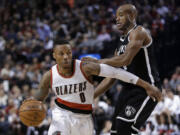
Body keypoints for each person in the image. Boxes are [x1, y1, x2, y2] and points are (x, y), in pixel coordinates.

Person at [29, 39, 161, 135]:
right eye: (61, 53)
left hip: (84, 119)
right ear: (54, 55)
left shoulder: (85, 67)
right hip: (61, 116)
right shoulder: (49, 75)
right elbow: (40, 94)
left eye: (68, 53)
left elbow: (116, 72)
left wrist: (147, 85)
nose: (66, 57)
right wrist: (31, 103)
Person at [84, 4, 162, 135]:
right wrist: (90, 97)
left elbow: (125, 60)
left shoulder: (139, 32)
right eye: (116, 16)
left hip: (146, 88)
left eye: (121, 15)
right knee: (115, 131)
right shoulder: (120, 42)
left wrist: (97, 62)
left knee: (124, 128)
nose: (117, 19)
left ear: (131, 16)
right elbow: (112, 75)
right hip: (127, 89)